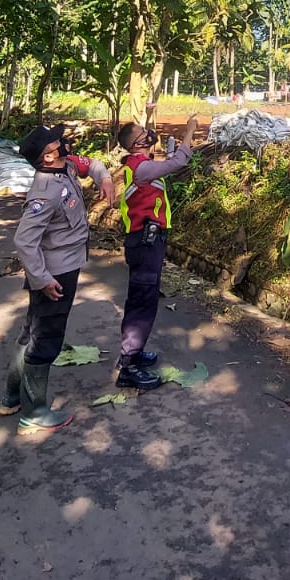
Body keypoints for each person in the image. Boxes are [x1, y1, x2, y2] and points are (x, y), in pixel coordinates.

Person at [0, 124, 114, 435]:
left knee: (30, 333)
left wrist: (105, 179)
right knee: (45, 340)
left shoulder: (66, 168)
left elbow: (91, 164)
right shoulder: (46, 191)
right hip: (55, 274)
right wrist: (42, 278)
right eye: (57, 141)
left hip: (61, 267)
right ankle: (34, 412)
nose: (64, 142)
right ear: (48, 157)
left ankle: (11, 397)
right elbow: (24, 241)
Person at [116, 115, 198, 390]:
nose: (149, 133)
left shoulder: (141, 165)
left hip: (145, 240)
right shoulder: (141, 168)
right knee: (142, 302)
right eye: (143, 133)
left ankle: (134, 353)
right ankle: (128, 366)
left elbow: (166, 165)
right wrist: (189, 132)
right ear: (137, 144)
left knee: (142, 298)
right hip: (145, 242)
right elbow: (177, 163)